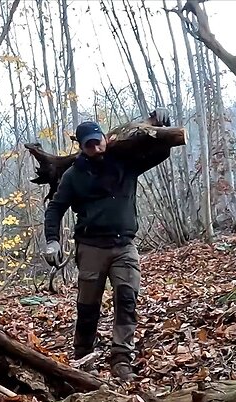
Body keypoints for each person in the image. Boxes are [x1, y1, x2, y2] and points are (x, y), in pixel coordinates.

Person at [43, 111, 174, 381]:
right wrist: (52, 240)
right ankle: (82, 356)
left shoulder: (124, 162)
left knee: (127, 299)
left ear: (105, 138)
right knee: (88, 306)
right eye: (88, 144)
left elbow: (161, 153)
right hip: (91, 247)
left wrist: (163, 127)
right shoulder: (74, 175)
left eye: (97, 140)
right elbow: (55, 208)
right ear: (81, 146)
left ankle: (122, 360)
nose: (95, 146)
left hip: (124, 245)